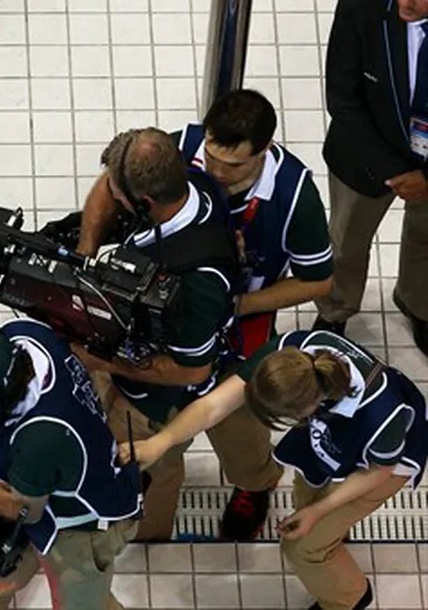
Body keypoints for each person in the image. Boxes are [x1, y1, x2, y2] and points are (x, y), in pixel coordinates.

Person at [125, 329, 427, 610]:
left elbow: (379, 471)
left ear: (307, 410)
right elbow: (214, 406)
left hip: (380, 466)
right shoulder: (296, 353)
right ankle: (330, 536)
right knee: (305, 496)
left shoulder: (383, 415)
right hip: (330, 445)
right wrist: (161, 442)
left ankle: (350, 598)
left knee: (301, 548)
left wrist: (318, 512)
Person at [168, 88, 334, 539]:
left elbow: (319, 280)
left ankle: (253, 484)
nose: (217, 172)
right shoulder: (182, 150)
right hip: (171, 317)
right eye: (212, 158)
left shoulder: (292, 193)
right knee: (161, 422)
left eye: (234, 165)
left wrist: (239, 304)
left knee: (240, 432)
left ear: (264, 150)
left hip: (242, 334)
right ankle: (155, 474)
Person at [73, 128, 241, 541]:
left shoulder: (197, 283)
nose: (109, 196)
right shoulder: (188, 182)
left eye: (118, 194)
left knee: (155, 467)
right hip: (124, 355)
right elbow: (107, 186)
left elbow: (192, 372)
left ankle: (150, 535)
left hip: (153, 401)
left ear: (144, 204)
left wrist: (104, 363)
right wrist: (86, 250)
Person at [0, 318, 140, 610]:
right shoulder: (25, 336)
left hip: (79, 530)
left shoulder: (43, 438)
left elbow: (22, 510)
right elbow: (15, 405)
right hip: (33, 487)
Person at [317, 0, 428, 357]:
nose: (405, 1)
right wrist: (396, 172)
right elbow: (343, 100)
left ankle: (418, 302)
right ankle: (335, 309)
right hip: (365, 157)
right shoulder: (360, 7)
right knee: (347, 242)